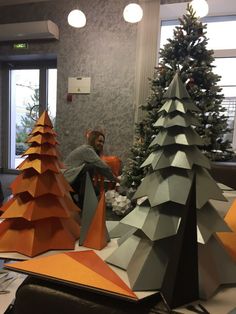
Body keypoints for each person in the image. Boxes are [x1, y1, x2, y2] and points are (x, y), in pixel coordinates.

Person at [63, 130, 119, 208]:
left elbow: (101, 169)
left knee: (95, 191)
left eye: (103, 142)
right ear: (93, 140)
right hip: (67, 178)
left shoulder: (90, 151)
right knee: (89, 167)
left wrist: (113, 179)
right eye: (99, 141)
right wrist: (115, 178)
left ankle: (83, 203)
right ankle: (83, 202)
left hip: (72, 177)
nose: (101, 144)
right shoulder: (87, 149)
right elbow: (103, 166)